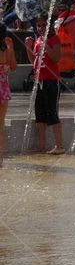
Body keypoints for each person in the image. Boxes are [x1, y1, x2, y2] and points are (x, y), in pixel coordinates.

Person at [25, 14, 64, 154]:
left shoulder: (54, 39)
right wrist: (28, 47)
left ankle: (59, 146)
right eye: (38, 25)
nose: (40, 28)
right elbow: (33, 61)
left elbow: (56, 57)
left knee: (52, 112)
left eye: (43, 25)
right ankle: (42, 145)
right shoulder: (38, 40)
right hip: (39, 81)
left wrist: (46, 45)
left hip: (51, 81)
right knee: (40, 114)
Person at [0, 24, 16, 166]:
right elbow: (13, 67)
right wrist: (11, 49)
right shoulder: (8, 50)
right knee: (0, 125)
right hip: (3, 90)